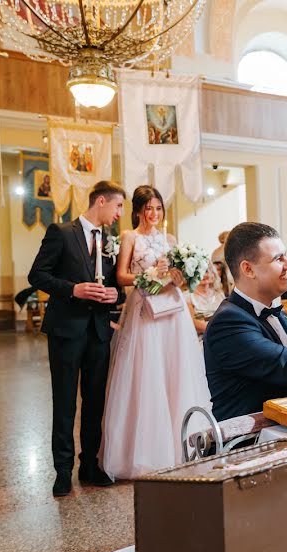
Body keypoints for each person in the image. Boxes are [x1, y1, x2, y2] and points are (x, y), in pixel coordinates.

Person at [100, 185, 211, 479]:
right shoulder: (130, 237)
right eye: (148, 208)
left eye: (158, 208)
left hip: (173, 311)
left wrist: (179, 276)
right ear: (138, 211)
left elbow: (182, 281)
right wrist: (151, 276)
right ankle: (146, 452)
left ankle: (180, 445)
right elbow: (122, 276)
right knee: (147, 372)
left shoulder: (170, 238)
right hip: (145, 307)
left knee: (175, 371)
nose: (154, 214)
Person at [28, 180, 125, 497]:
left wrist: (115, 293)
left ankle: (90, 466)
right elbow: (37, 275)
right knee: (66, 402)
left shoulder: (110, 241)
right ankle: (62, 472)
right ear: (101, 201)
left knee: (95, 402)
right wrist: (73, 289)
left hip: (98, 331)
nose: (119, 214)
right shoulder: (62, 232)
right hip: (66, 330)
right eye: (118, 206)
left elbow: (116, 286)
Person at [204, 222, 287, 421]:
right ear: (248, 269)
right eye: (278, 258)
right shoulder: (228, 322)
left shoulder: (275, 313)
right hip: (250, 441)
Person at [187, 264, 226, 337]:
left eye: (206, 271)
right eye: (198, 272)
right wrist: (220, 331)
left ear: (212, 274)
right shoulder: (188, 297)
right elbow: (196, 323)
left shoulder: (219, 294)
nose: (203, 275)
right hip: (204, 338)